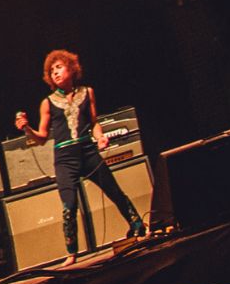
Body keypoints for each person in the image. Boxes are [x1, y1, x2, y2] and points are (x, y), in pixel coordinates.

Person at [14, 49, 146, 259]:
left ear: (71, 68)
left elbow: (94, 123)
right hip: (65, 159)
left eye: (59, 67)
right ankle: (72, 252)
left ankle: (139, 226)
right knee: (69, 206)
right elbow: (41, 138)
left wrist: (100, 137)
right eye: (51, 70)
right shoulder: (47, 103)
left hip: (88, 152)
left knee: (114, 191)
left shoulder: (87, 92)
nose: (55, 72)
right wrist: (26, 129)